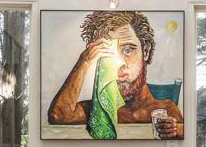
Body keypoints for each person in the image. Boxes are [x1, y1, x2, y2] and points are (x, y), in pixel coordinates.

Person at [48, 10, 183, 138]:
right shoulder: (98, 112)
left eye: (128, 50)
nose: (119, 64)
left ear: (145, 51)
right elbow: (58, 116)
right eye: (107, 56)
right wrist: (84, 61)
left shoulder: (166, 110)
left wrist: (177, 131)